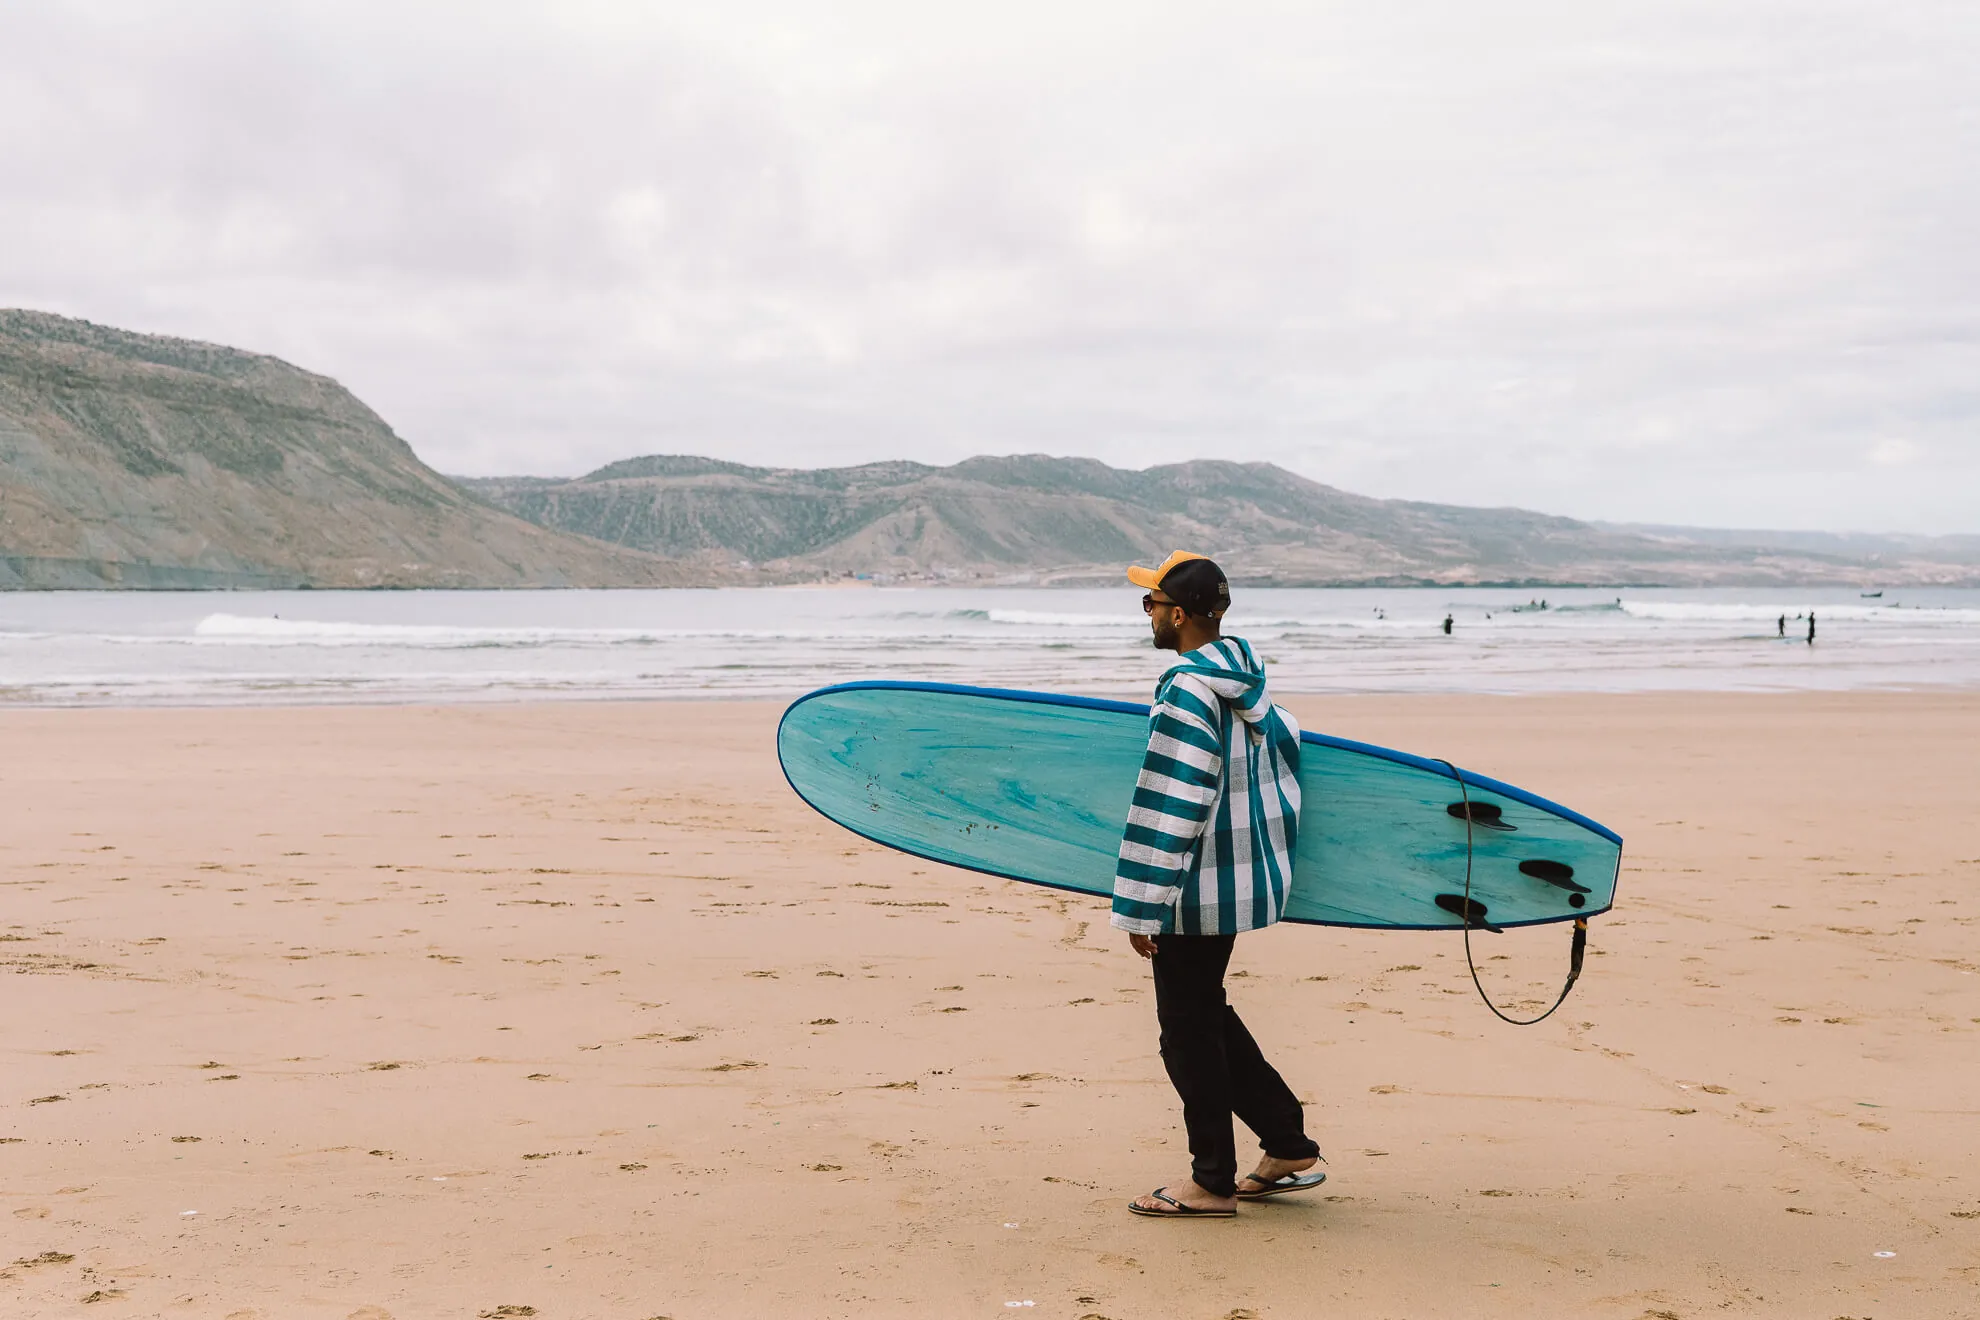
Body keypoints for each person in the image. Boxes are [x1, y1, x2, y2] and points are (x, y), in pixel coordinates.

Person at [1112, 551, 1323, 1218]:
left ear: (1179, 614)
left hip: (1191, 891)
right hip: (1236, 884)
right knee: (1206, 1014)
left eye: (1151, 603)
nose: (1144, 613)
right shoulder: (1247, 688)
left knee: (1187, 1034)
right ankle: (1286, 1142)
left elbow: (1174, 801)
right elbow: (1287, 753)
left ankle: (1211, 1181)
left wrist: (1141, 905)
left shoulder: (1184, 690)